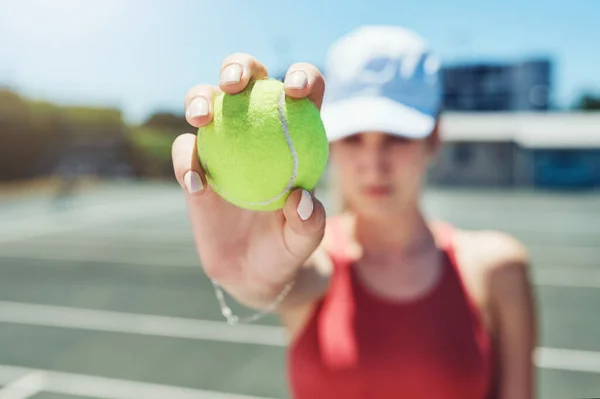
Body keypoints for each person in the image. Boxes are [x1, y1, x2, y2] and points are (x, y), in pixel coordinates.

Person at [172, 25, 537, 399]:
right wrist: (245, 273)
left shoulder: (498, 269)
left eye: (397, 137)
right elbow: (281, 281)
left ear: (434, 138)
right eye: (353, 137)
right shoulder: (305, 252)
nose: (373, 163)